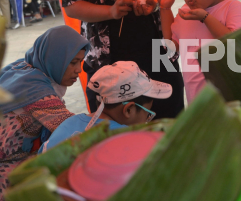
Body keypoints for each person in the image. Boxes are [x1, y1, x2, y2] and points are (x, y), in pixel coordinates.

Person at [0, 27, 89, 201]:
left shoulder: (21, 69)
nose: (79, 70)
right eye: (73, 62)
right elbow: (74, 131)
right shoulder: (37, 93)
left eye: (81, 62)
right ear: (56, 58)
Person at [160, 0, 241, 103]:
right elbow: (172, 48)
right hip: (197, 99)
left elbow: (236, 45)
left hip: (230, 98)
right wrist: (165, 9)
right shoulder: (184, 13)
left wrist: (205, 18)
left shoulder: (232, 7)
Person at [42, 61, 172, 151]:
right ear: (129, 110)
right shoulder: (129, 141)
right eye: (148, 114)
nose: (147, 120)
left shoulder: (68, 123)